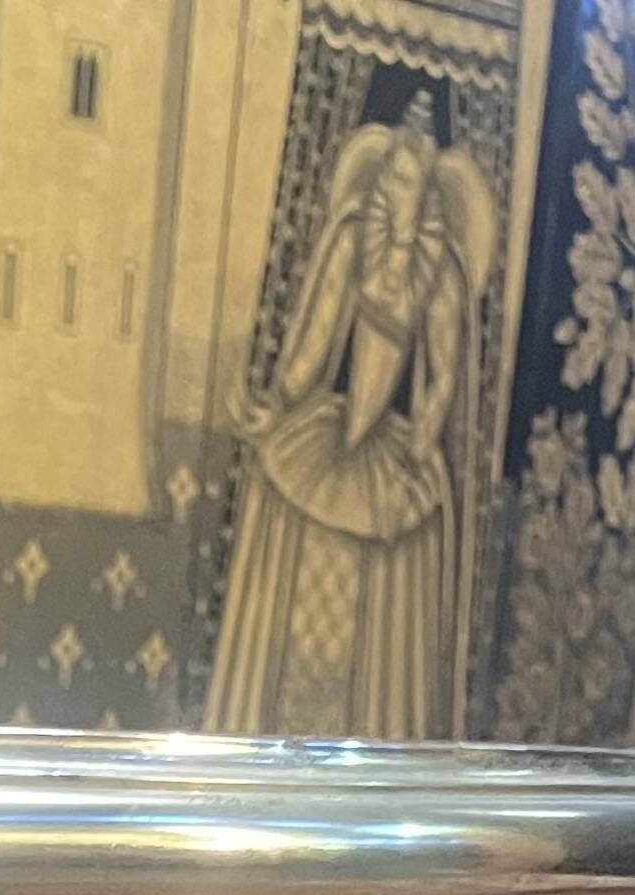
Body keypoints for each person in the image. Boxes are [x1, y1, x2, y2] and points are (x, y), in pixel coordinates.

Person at [205, 93, 496, 741]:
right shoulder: (350, 240)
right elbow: (314, 340)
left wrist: (425, 438)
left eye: (414, 182)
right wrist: (279, 402)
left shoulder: (439, 269)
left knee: (388, 555)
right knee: (295, 517)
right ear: (379, 174)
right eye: (394, 175)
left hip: (393, 451)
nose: (403, 191)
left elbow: (443, 370)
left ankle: (371, 736)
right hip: (328, 435)